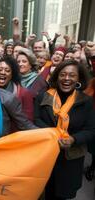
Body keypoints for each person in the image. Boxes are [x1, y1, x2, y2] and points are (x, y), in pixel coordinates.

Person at [34, 60, 95, 200]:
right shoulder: (43, 96)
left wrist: (74, 139)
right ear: (57, 77)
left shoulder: (86, 101)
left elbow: (91, 130)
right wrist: (53, 134)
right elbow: (36, 120)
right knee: (42, 192)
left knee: (61, 194)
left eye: (72, 75)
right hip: (45, 156)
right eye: (63, 74)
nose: (67, 78)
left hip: (70, 158)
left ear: (78, 79)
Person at [0, 56, 34, 121]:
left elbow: (27, 121)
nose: (2, 72)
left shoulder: (24, 93)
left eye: (7, 70)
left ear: (12, 75)